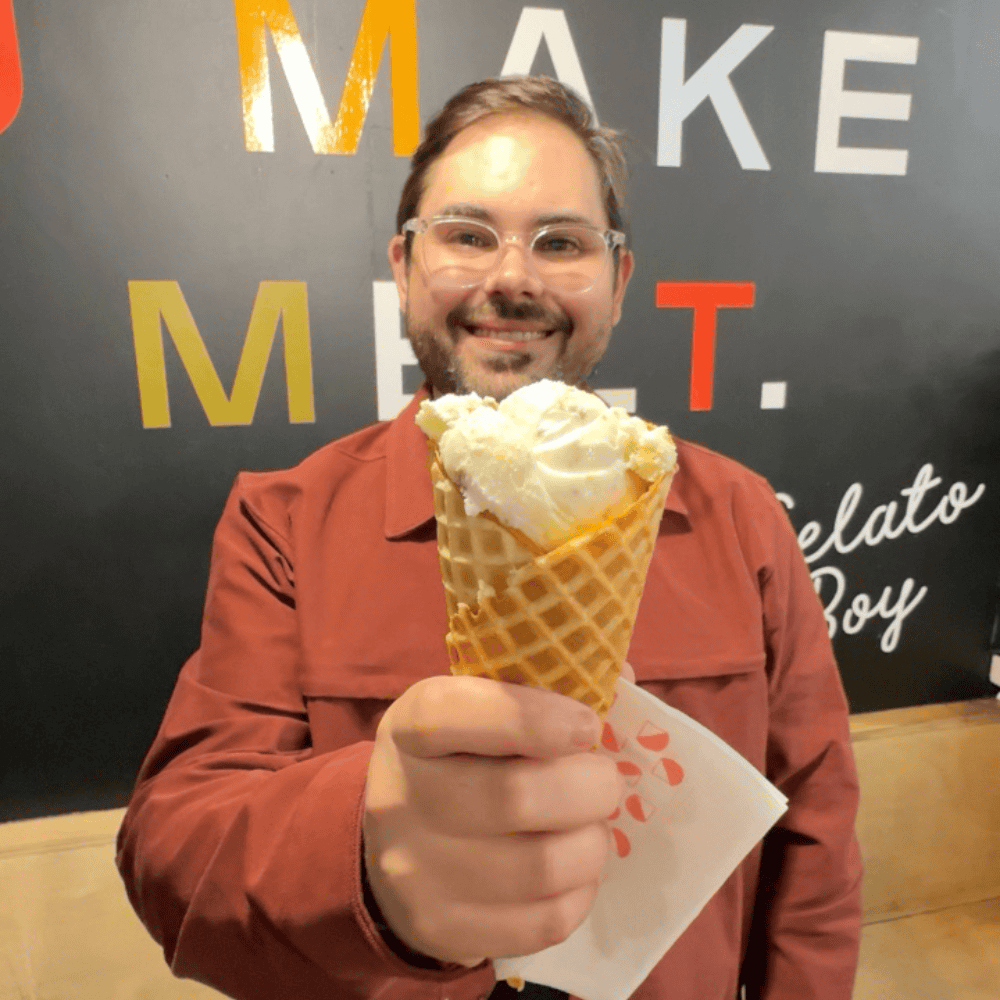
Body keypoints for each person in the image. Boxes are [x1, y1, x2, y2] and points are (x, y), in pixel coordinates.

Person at [117, 76, 862, 1000]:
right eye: (468, 235)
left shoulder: (740, 514)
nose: (513, 276)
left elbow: (815, 838)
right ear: (402, 267)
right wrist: (363, 854)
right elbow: (172, 860)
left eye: (561, 242)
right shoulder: (285, 521)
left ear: (618, 283)